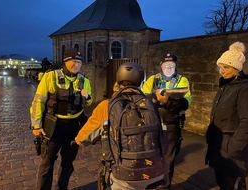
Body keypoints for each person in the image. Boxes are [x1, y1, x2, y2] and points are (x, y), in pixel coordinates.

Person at [74, 62, 167, 190]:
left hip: (125, 176)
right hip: (156, 172)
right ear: (142, 84)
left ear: (117, 83)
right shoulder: (151, 104)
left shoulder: (107, 106)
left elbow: (82, 138)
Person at [30, 48, 92, 190]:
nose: (76, 64)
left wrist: (86, 96)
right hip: (53, 126)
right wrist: (36, 125)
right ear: (65, 62)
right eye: (73, 61)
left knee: (68, 163)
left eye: (78, 62)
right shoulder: (50, 77)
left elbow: (88, 102)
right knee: (47, 163)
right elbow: (38, 101)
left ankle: (62, 188)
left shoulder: (84, 80)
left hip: (74, 126)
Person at [205, 41, 248, 190]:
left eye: (226, 67)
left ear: (236, 68)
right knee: (223, 184)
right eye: (220, 67)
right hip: (219, 147)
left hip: (233, 152)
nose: (222, 71)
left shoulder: (245, 88)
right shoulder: (226, 86)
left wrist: (232, 149)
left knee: (233, 185)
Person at [142, 53, 192, 189]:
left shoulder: (183, 80)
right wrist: (155, 98)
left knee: (168, 159)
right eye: (166, 65)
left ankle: (165, 186)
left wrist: (167, 101)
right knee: (151, 156)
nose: (168, 68)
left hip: (171, 125)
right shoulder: (152, 79)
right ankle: (150, 184)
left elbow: (185, 103)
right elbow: (143, 98)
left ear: (175, 67)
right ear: (161, 66)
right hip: (152, 124)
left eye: (171, 65)